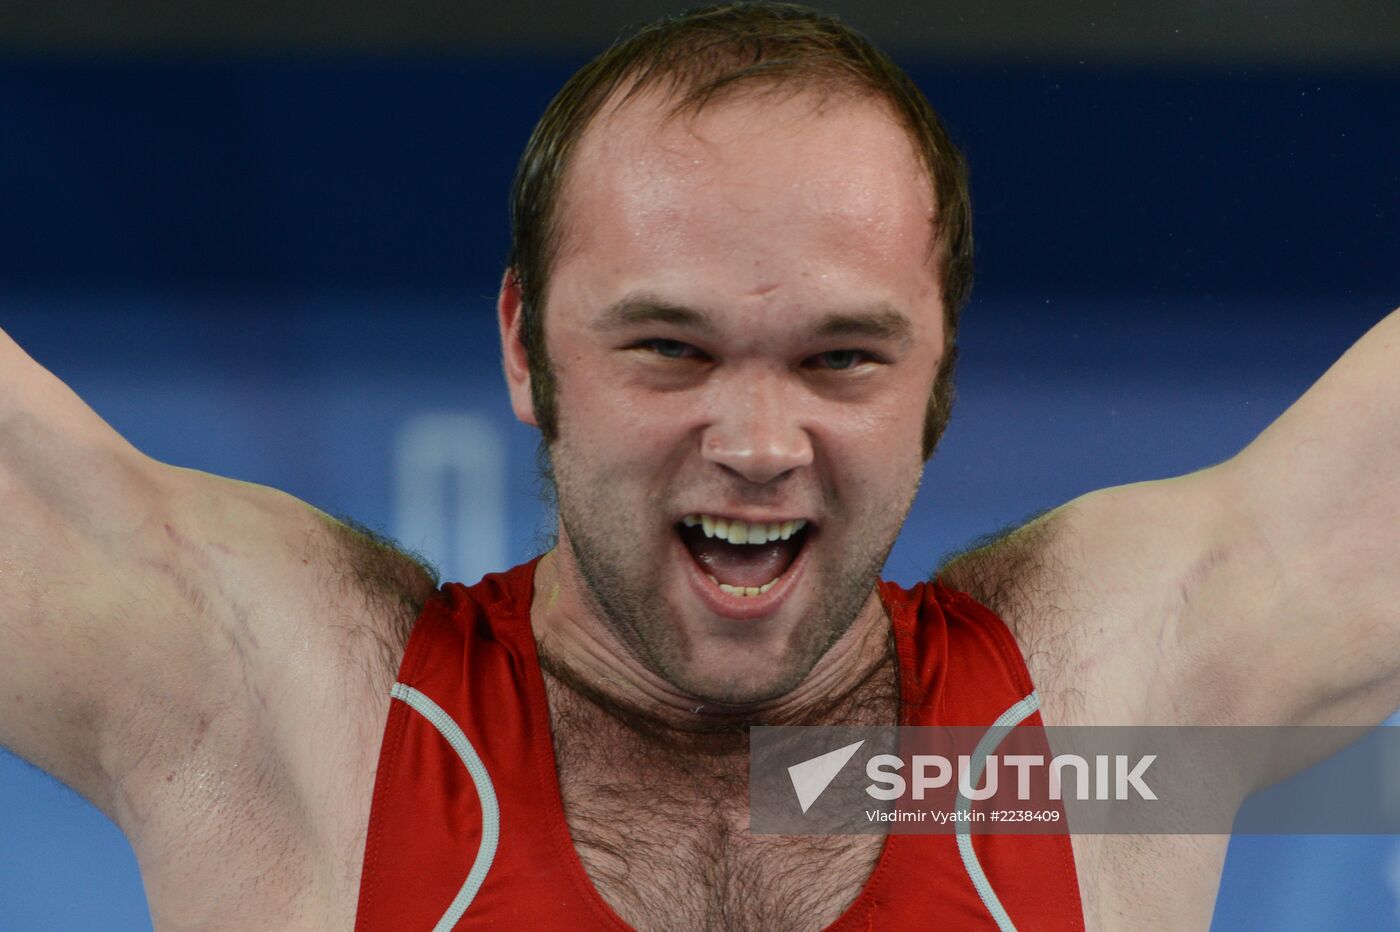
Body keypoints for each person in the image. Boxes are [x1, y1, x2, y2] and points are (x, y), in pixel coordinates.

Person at [1, 2, 1396, 929]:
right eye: (668, 348)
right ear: (524, 347)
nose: (757, 446)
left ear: (941, 371)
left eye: (843, 358)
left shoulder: (1090, 732)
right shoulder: (296, 723)